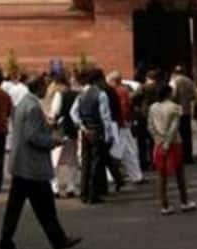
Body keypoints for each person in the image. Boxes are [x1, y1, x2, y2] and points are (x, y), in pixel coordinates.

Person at [0, 75, 82, 249]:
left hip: (21, 164)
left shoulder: (23, 104)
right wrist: (54, 141)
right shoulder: (33, 107)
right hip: (32, 166)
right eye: (45, 86)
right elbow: (33, 137)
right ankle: (58, 240)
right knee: (45, 207)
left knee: (19, 208)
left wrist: (47, 128)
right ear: (39, 88)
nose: (48, 89)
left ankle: (6, 244)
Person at [148, 83, 196, 215]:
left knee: (161, 175)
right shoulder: (175, 107)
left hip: (158, 142)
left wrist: (159, 140)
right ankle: (184, 202)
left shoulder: (153, 107)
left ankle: (164, 205)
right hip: (174, 143)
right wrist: (167, 143)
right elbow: (174, 128)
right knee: (179, 174)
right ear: (169, 93)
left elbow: (150, 126)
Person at [70, 68, 113, 204]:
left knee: (86, 162)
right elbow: (105, 116)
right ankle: (92, 194)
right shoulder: (101, 95)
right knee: (96, 163)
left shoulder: (81, 95)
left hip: (85, 131)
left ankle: (83, 193)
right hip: (97, 131)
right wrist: (108, 134)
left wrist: (82, 126)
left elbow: (73, 113)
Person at [107, 71, 143, 185]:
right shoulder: (124, 90)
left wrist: (122, 121)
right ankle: (135, 175)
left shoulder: (117, 91)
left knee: (116, 151)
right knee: (129, 150)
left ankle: (112, 175)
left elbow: (123, 108)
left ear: (113, 81)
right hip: (123, 124)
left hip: (119, 124)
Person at [48, 74, 79, 197]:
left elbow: (55, 112)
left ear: (59, 84)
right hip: (73, 131)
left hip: (60, 130)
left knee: (55, 160)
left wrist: (49, 118)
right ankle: (71, 186)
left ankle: (55, 187)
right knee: (72, 160)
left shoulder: (59, 95)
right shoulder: (76, 95)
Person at [131, 69, 161, 172]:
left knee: (142, 141)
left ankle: (143, 163)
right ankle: (155, 163)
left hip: (144, 116)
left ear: (147, 78)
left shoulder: (143, 87)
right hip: (157, 115)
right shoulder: (161, 87)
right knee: (154, 141)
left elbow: (133, 98)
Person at [170, 66, 196, 164]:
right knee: (187, 134)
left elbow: (173, 95)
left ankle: (180, 156)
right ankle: (188, 156)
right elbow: (194, 94)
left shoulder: (174, 81)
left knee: (178, 135)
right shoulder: (189, 81)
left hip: (177, 110)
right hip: (187, 110)